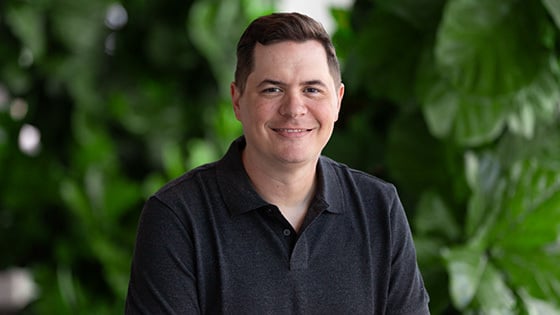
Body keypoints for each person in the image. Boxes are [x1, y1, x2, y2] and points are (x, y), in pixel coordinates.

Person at [125, 12, 430, 314]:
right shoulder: (178, 217)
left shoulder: (379, 207)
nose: (294, 108)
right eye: (273, 89)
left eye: (312, 89)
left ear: (337, 101)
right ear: (237, 100)